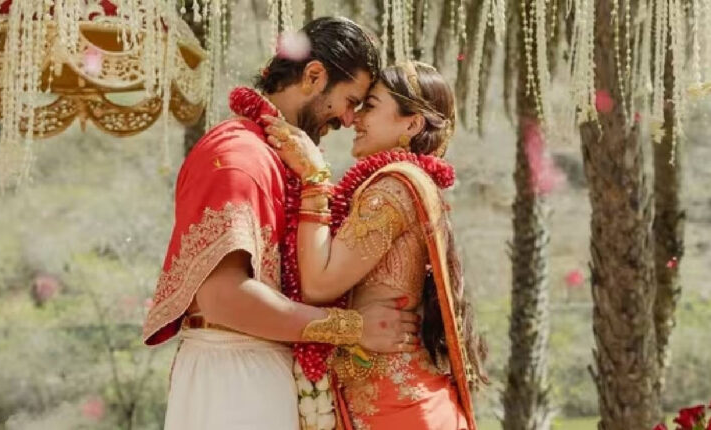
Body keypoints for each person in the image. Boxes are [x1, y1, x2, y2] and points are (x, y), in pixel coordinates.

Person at [142, 17, 419, 430]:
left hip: (256, 371)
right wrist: (352, 328)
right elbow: (223, 297)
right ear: (313, 76)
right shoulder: (237, 155)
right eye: (349, 100)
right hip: (233, 378)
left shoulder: (279, 158)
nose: (348, 120)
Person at [264, 61, 488, 430]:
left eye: (370, 106)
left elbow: (318, 284)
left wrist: (315, 180)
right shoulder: (406, 183)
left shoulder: (391, 189)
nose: (355, 119)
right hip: (398, 400)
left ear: (411, 125)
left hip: (395, 407)